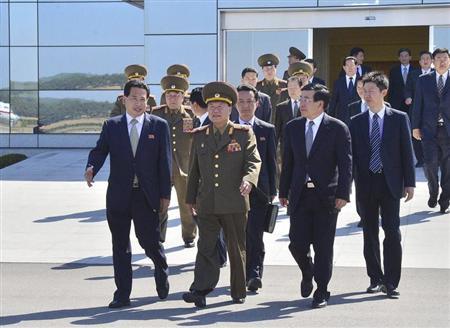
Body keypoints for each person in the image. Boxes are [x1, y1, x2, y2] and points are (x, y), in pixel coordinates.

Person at [85, 79, 171, 308]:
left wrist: (165, 195)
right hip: (119, 195)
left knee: (149, 241)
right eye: (134, 98)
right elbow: (100, 150)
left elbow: (165, 163)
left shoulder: (159, 126)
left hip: (146, 196)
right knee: (120, 245)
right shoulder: (111, 126)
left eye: (143, 99)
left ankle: (161, 268)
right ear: (124, 100)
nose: (139, 103)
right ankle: (122, 293)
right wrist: (92, 167)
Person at [182, 81, 261, 308]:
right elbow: (194, 170)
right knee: (205, 246)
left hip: (234, 201)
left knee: (236, 249)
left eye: (221, 106)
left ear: (230, 109)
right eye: (212, 105)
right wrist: (190, 199)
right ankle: (200, 289)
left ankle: (238, 290)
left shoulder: (243, 133)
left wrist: (248, 180)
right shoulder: (200, 135)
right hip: (207, 201)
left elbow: (254, 161)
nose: (215, 110)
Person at [279, 83, 352, 309]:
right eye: (301, 99)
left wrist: (343, 193)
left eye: (307, 99)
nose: (301, 103)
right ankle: (307, 271)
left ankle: (321, 289)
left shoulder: (338, 128)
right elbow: (287, 162)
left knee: (323, 246)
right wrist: (283, 191)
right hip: (299, 195)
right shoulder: (292, 127)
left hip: (326, 197)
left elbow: (346, 164)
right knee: (296, 243)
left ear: (320, 104)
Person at [350, 71, 415, 298]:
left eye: (371, 91)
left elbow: (407, 152)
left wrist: (410, 183)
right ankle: (375, 278)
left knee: (392, 232)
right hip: (366, 183)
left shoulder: (398, 118)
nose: (366, 95)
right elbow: (352, 157)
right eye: (364, 91)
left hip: (391, 183)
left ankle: (391, 281)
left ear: (383, 92)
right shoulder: (356, 122)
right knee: (369, 232)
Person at [235, 84, 277, 292]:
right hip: (233, 192)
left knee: (255, 234)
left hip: (260, 192)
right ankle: (241, 272)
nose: (245, 106)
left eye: (249, 101)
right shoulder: (228, 128)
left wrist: (273, 191)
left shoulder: (266, 130)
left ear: (257, 103)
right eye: (241, 101)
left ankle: (254, 273)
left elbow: (271, 161)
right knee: (238, 235)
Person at [152, 75, 197, 247]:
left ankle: (189, 236)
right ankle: (158, 237)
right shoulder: (156, 114)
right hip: (161, 167)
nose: (172, 98)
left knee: (186, 205)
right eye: (169, 95)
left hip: (183, 167)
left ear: (183, 96)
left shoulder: (190, 115)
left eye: (176, 95)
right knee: (160, 204)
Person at [189, 87, 228, 267]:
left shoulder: (226, 128)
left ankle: (219, 257)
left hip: (220, 191)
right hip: (202, 192)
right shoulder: (198, 126)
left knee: (213, 229)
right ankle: (216, 259)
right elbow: (194, 167)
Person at [412, 48, 450, 214]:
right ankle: (433, 191)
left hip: (448, 131)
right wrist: (415, 127)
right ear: (433, 61)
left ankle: (445, 198)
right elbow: (417, 104)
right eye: (439, 58)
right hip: (428, 130)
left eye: (445, 58)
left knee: (448, 167)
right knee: (429, 164)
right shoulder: (423, 80)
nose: (442, 61)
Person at [405, 50, 433, 167]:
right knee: (416, 133)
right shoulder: (413, 74)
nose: (425, 61)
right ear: (420, 61)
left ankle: (432, 159)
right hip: (416, 109)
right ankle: (420, 159)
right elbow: (407, 88)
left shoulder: (436, 74)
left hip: (432, 110)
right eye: (423, 59)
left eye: (428, 58)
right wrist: (408, 97)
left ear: (431, 61)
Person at [256, 54, 288, 123]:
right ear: (262, 70)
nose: (269, 71)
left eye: (271, 68)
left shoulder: (285, 85)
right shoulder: (257, 86)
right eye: (266, 69)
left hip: (280, 123)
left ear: (276, 69)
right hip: (262, 124)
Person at [328, 56, 360, 125]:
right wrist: (330, 117)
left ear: (357, 66)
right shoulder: (338, 82)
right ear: (344, 67)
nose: (350, 68)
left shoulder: (362, 81)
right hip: (342, 118)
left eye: (352, 65)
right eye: (347, 65)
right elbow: (334, 101)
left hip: (358, 117)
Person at [388, 48, 418, 114]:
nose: (404, 58)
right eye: (401, 56)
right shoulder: (393, 71)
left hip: (412, 102)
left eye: (406, 56)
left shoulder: (416, 70)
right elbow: (390, 88)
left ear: (410, 57)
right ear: (399, 58)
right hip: (397, 103)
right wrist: (390, 103)